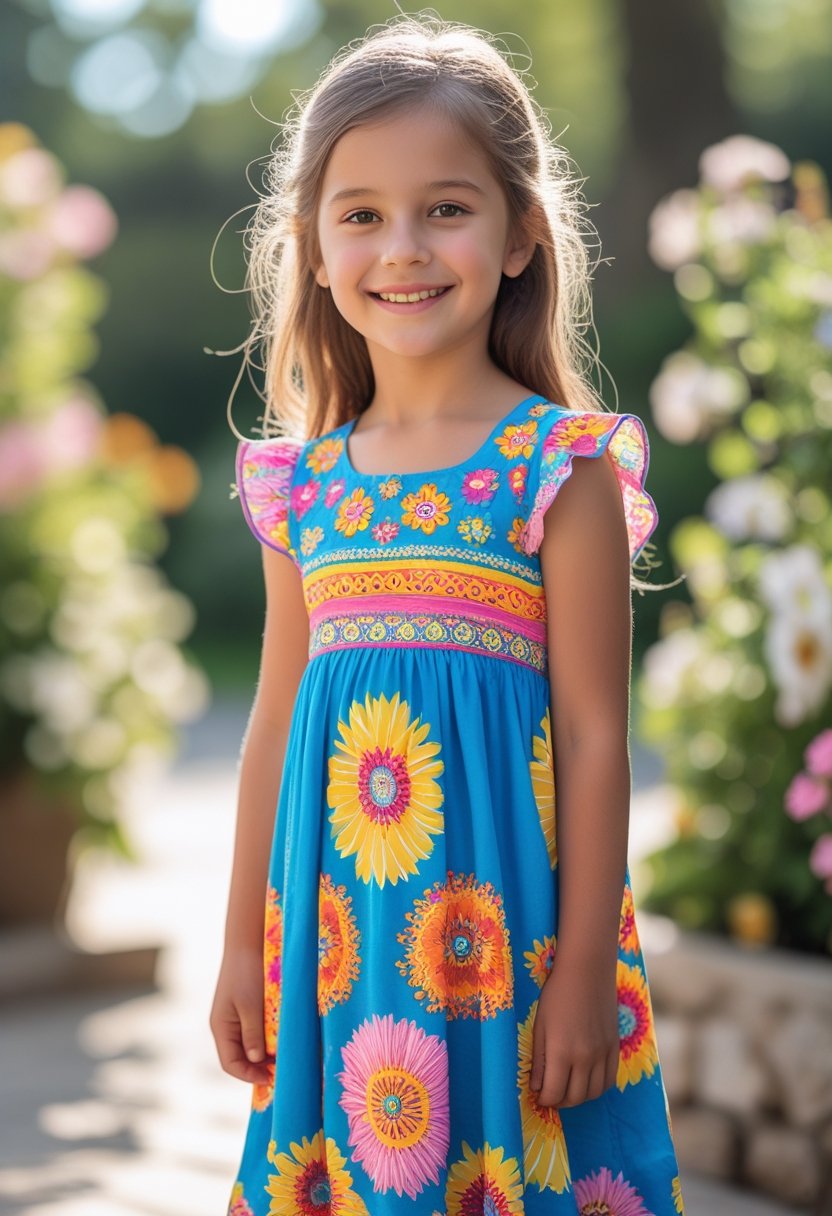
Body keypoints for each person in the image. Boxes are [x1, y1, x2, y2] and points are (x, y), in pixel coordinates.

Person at [210, 12, 685, 1216]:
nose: (402, 247)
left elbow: (591, 734)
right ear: (312, 248)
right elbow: (271, 723)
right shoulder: (301, 484)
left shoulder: (554, 465)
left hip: (512, 939)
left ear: (522, 231)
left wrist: (581, 967)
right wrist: (238, 947)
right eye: (360, 213)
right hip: (340, 941)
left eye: (447, 207)